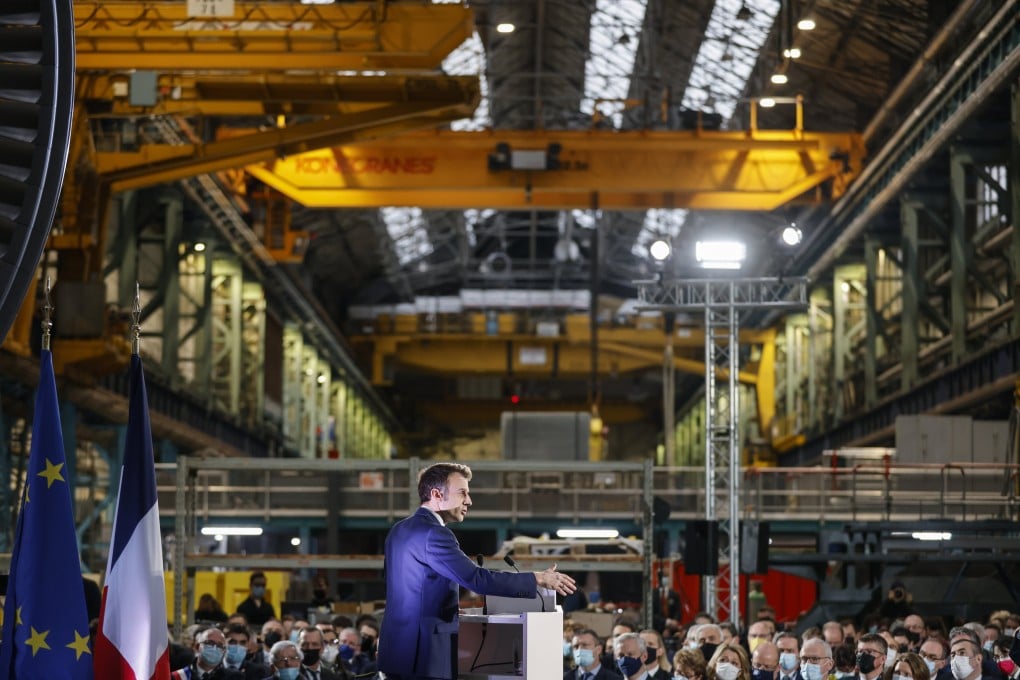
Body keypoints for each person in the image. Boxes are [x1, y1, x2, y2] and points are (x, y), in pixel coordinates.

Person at [377, 462, 576, 680]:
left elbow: (405, 586)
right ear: (436, 494)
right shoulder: (435, 534)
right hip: (426, 655)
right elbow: (476, 579)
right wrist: (537, 579)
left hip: (396, 652)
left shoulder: (399, 530)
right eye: (462, 493)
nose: (469, 501)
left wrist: (447, 610)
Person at [172, 626, 244, 680]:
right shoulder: (177, 677)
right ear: (197, 646)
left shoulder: (234, 677)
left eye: (220, 645)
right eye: (210, 643)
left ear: (224, 651)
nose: (214, 648)